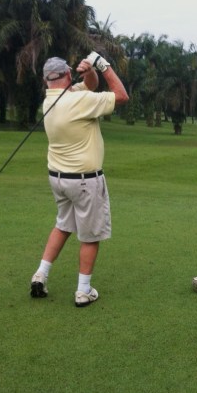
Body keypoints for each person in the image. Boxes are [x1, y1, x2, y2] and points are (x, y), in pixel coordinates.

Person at [30, 51, 129, 307]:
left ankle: (40, 274)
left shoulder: (51, 99)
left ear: (46, 80)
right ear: (67, 74)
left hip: (58, 179)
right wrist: (102, 65)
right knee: (90, 236)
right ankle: (83, 291)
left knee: (63, 225)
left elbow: (89, 86)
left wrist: (90, 73)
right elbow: (121, 96)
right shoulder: (79, 100)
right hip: (84, 181)